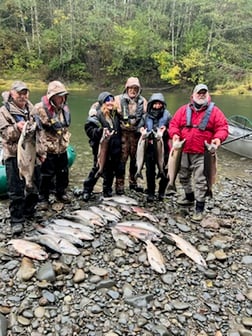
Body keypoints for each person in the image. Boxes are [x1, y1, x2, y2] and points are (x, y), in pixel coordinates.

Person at [169, 84, 228, 222]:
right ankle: (189, 197)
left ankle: (199, 207)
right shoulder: (183, 110)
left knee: (201, 181)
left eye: (204, 93)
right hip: (182, 151)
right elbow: (173, 125)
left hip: (204, 153)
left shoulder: (215, 112)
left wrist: (218, 139)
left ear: (208, 96)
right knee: (183, 176)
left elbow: (223, 128)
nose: (201, 95)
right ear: (192, 96)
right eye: (199, 93)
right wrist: (175, 135)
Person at [0, 81, 38, 234]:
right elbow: (4, 134)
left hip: (31, 153)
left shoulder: (32, 108)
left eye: (25, 93)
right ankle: (16, 219)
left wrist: (41, 153)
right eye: (19, 93)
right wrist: (17, 127)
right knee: (15, 189)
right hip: (13, 155)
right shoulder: (3, 111)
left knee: (35, 185)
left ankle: (29, 211)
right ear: (12, 93)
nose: (22, 96)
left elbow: (39, 133)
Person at [31, 80, 71, 207]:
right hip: (47, 148)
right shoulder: (38, 108)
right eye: (59, 96)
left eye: (63, 95)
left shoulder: (64, 108)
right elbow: (32, 128)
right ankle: (43, 198)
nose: (62, 98)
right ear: (52, 97)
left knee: (63, 171)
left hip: (62, 146)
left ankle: (61, 193)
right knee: (46, 175)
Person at [82, 92, 122, 201]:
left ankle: (107, 190)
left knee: (111, 171)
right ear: (102, 102)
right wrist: (100, 131)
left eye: (111, 100)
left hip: (115, 149)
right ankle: (87, 190)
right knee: (97, 168)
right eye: (107, 100)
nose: (110, 102)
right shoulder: (97, 115)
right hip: (101, 148)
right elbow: (89, 131)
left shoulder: (116, 114)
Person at [114, 77, 147, 194]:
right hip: (122, 134)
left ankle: (133, 183)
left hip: (136, 135)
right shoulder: (117, 99)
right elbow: (100, 104)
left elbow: (149, 115)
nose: (133, 90)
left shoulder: (143, 101)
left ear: (138, 89)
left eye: (135, 88)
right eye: (131, 88)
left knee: (135, 161)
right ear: (126, 88)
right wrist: (92, 113)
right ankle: (119, 185)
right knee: (121, 161)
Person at [138, 93, 171, 202]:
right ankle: (151, 192)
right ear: (151, 104)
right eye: (155, 104)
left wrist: (165, 131)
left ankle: (162, 192)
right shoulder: (145, 116)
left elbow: (173, 130)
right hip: (149, 148)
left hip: (163, 147)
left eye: (159, 104)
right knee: (150, 171)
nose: (157, 106)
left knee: (165, 169)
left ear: (163, 105)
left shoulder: (167, 115)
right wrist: (141, 130)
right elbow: (139, 127)